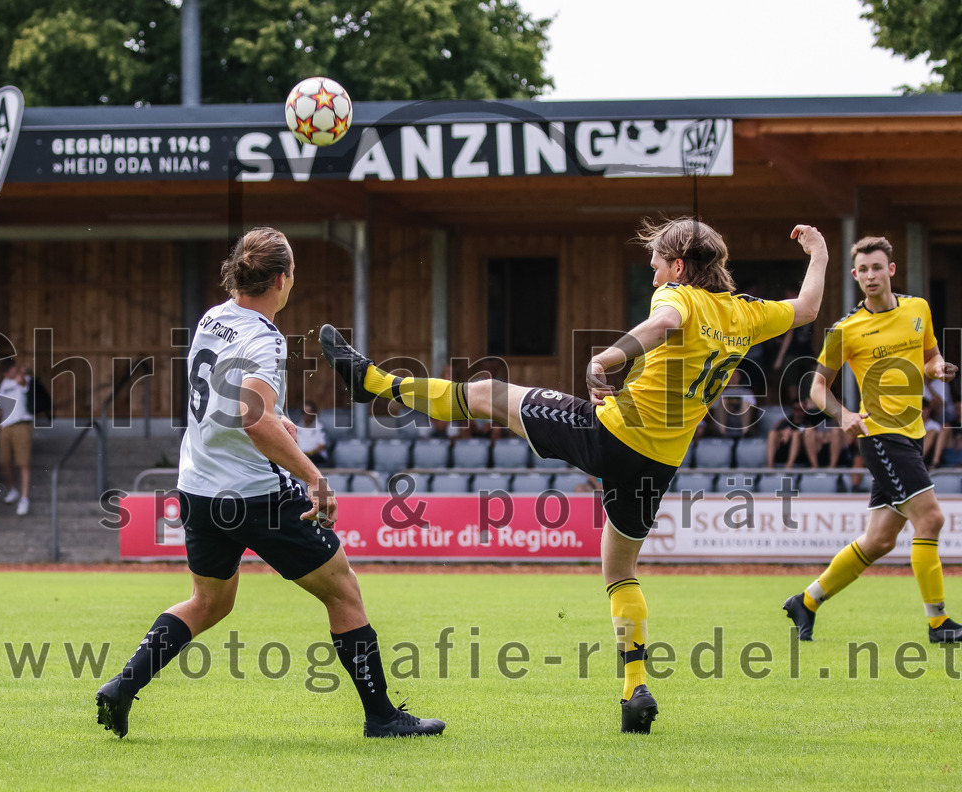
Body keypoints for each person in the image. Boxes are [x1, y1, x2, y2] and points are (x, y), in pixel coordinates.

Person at [320, 217, 829, 734]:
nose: (652, 275)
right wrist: (820, 252)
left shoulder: (679, 295)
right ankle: (634, 689)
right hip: (658, 464)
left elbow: (663, 324)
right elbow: (808, 307)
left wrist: (606, 357)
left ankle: (374, 383)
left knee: (487, 395)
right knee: (620, 570)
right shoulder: (745, 314)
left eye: (655, 264)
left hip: (608, 434)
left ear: (678, 266)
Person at [95, 227, 444, 740]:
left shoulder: (212, 318)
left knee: (209, 602)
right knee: (343, 591)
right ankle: (382, 717)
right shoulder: (264, 338)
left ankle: (123, 686)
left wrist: (273, 420)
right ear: (282, 279)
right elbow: (251, 419)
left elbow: (228, 405)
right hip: (256, 493)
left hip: (199, 487)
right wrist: (314, 475)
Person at [784, 235, 960, 643]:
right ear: (855, 276)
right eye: (863, 270)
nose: (870, 276)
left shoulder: (918, 309)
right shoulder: (846, 329)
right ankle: (938, 623)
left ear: (891, 270)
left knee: (879, 539)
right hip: (879, 435)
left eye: (877, 267)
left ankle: (806, 601)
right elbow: (815, 388)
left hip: (911, 435)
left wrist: (937, 369)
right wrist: (842, 414)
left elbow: (929, 356)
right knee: (931, 518)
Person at [0, 361, 33, 516]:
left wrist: (21, 372)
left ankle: (24, 498)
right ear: (5, 373)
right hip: (5, 426)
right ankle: (14, 489)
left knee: (23, 462)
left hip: (21, 424)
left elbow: (23, 382)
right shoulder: (4, 383)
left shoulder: (23, 379)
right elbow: (1, 407)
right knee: (4, 461)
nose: (14, 371)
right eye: (11, 369)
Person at [295, 400, 330, 466]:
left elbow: (321, 446)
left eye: (309, 412)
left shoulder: (321, 427)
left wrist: (309, 453)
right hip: (300, 456)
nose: (306, 415)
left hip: (315, 456)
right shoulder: (296, 427)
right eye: (304, 412)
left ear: (314, 413)